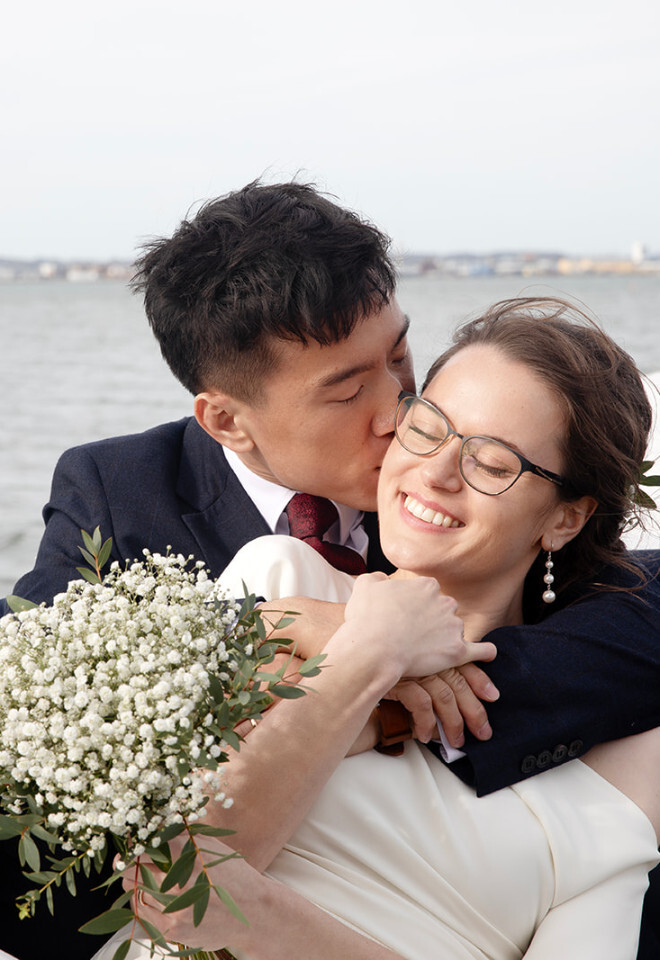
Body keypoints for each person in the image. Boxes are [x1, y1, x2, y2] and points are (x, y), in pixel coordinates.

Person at [1, 180, 659, 956]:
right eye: (347, 390)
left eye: (401, 357)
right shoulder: (127, 503)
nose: (399, 413)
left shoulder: (481, 523)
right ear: (225, 420)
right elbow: (40, 827)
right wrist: (349, 642)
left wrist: (387, 686)